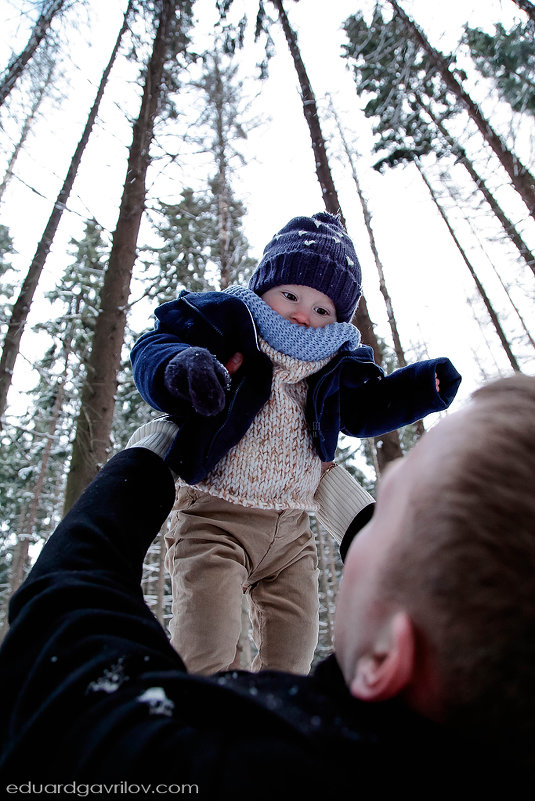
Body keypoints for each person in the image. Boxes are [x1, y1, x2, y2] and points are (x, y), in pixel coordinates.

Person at [1, 374, 534, 794]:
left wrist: (147, 457)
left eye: (388, 505)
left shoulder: (229, 766)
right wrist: (333, 492)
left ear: (383, 659)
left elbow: (62, 638)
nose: (379, 491)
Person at [130, 211, 462, 674]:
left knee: (294, 653)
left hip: (291, 535)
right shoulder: (228, 325)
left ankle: (270, 732)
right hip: (213, 519)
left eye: (323, 309)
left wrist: (422, 389)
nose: (304, 315)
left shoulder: (333, 365)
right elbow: (154, 345)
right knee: (207, 642)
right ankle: (199, 728)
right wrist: (181, 367)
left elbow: (367, 408)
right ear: (263, 288)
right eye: (290, 295)